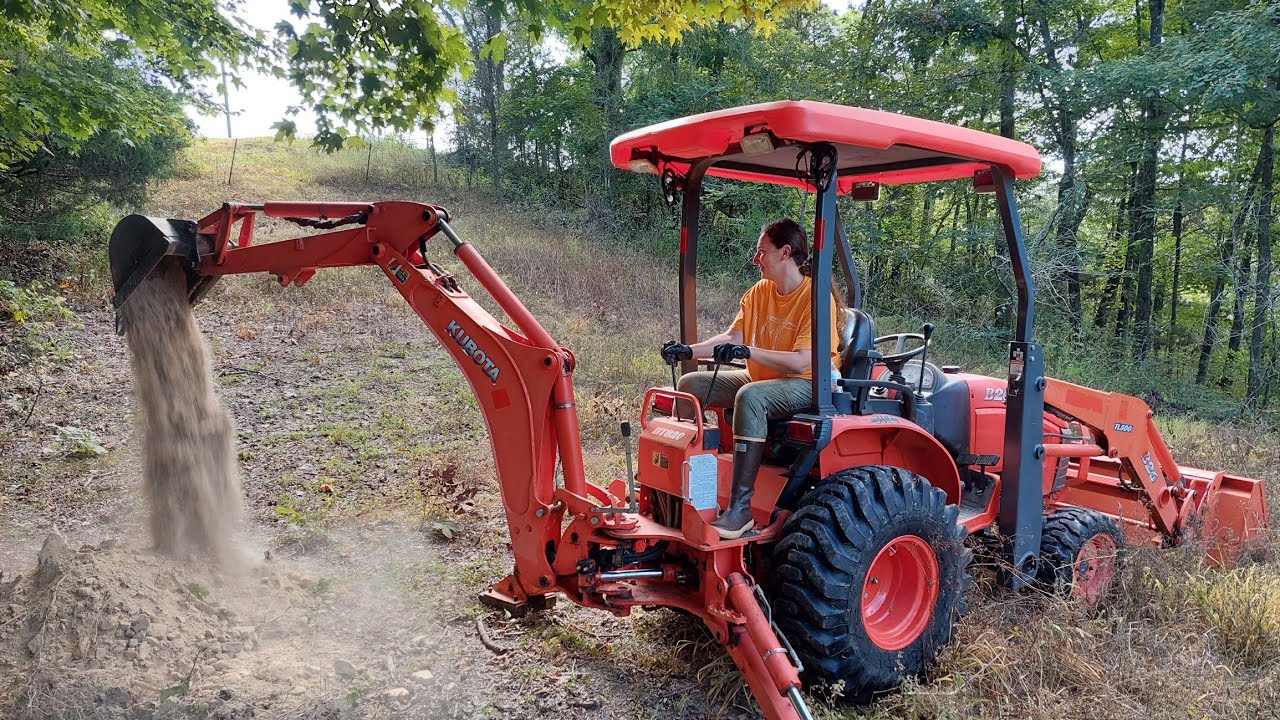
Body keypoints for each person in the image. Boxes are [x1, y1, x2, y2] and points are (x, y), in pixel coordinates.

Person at [661, 217, 838, 540]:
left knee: (751, 397)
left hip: (808, 384)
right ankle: (687, 493)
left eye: (761, 252)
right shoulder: (759, 292)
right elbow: (732, 338)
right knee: (692, 386)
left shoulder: (815, 299)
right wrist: (689, 351)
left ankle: (740, 510)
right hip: (763, 377)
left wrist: (748, 352)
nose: (756, 259)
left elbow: (801, 363)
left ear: (785, 253)